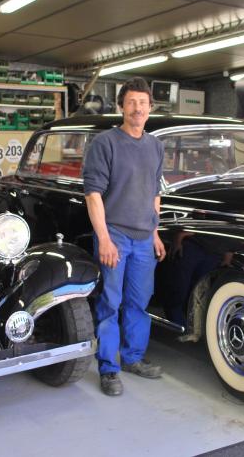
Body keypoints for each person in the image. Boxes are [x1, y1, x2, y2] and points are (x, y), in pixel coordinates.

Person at [82, 77, 166, 397]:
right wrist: (103, 239)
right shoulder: (105, 143)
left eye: (142, 103)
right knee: (110, 303)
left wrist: (155, 233)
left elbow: (154, 194)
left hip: (145, 238)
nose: (137, 109)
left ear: (150, 108)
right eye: (131, 102)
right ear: (121, 106)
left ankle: (132, 358)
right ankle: (108, 368)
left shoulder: (155, 146)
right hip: (114, 234)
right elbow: (93, 195)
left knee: (139, 303)